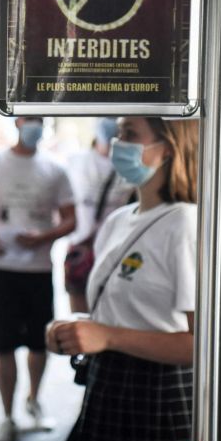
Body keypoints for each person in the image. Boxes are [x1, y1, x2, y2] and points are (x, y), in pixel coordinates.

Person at [46, 117, 199, 441]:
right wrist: (76, 331)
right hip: (108, 384)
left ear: (168, 147)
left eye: (130, 134)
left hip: (159, 393)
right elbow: (118, 316)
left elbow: (200, 344)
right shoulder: (120, 219)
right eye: (118, 133)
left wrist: (108, 337)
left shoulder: (184, 223)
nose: (117, 144)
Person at [0, 116, 77, 441]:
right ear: (17, 122)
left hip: (38, 271)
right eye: (29, 120)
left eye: (40, 120)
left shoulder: (56, 168)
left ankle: (34, 401)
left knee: (40, 344)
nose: (34, 126)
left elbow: (71, 218)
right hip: (1, 270)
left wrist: (45, 235)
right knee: (4, 345)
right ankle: (7, 416)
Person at [65, 118, 136, 313]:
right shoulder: (76, 161)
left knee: (111, 307)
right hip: (81, 246)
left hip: (114, 248)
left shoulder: (129, 167)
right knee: (79, 308)